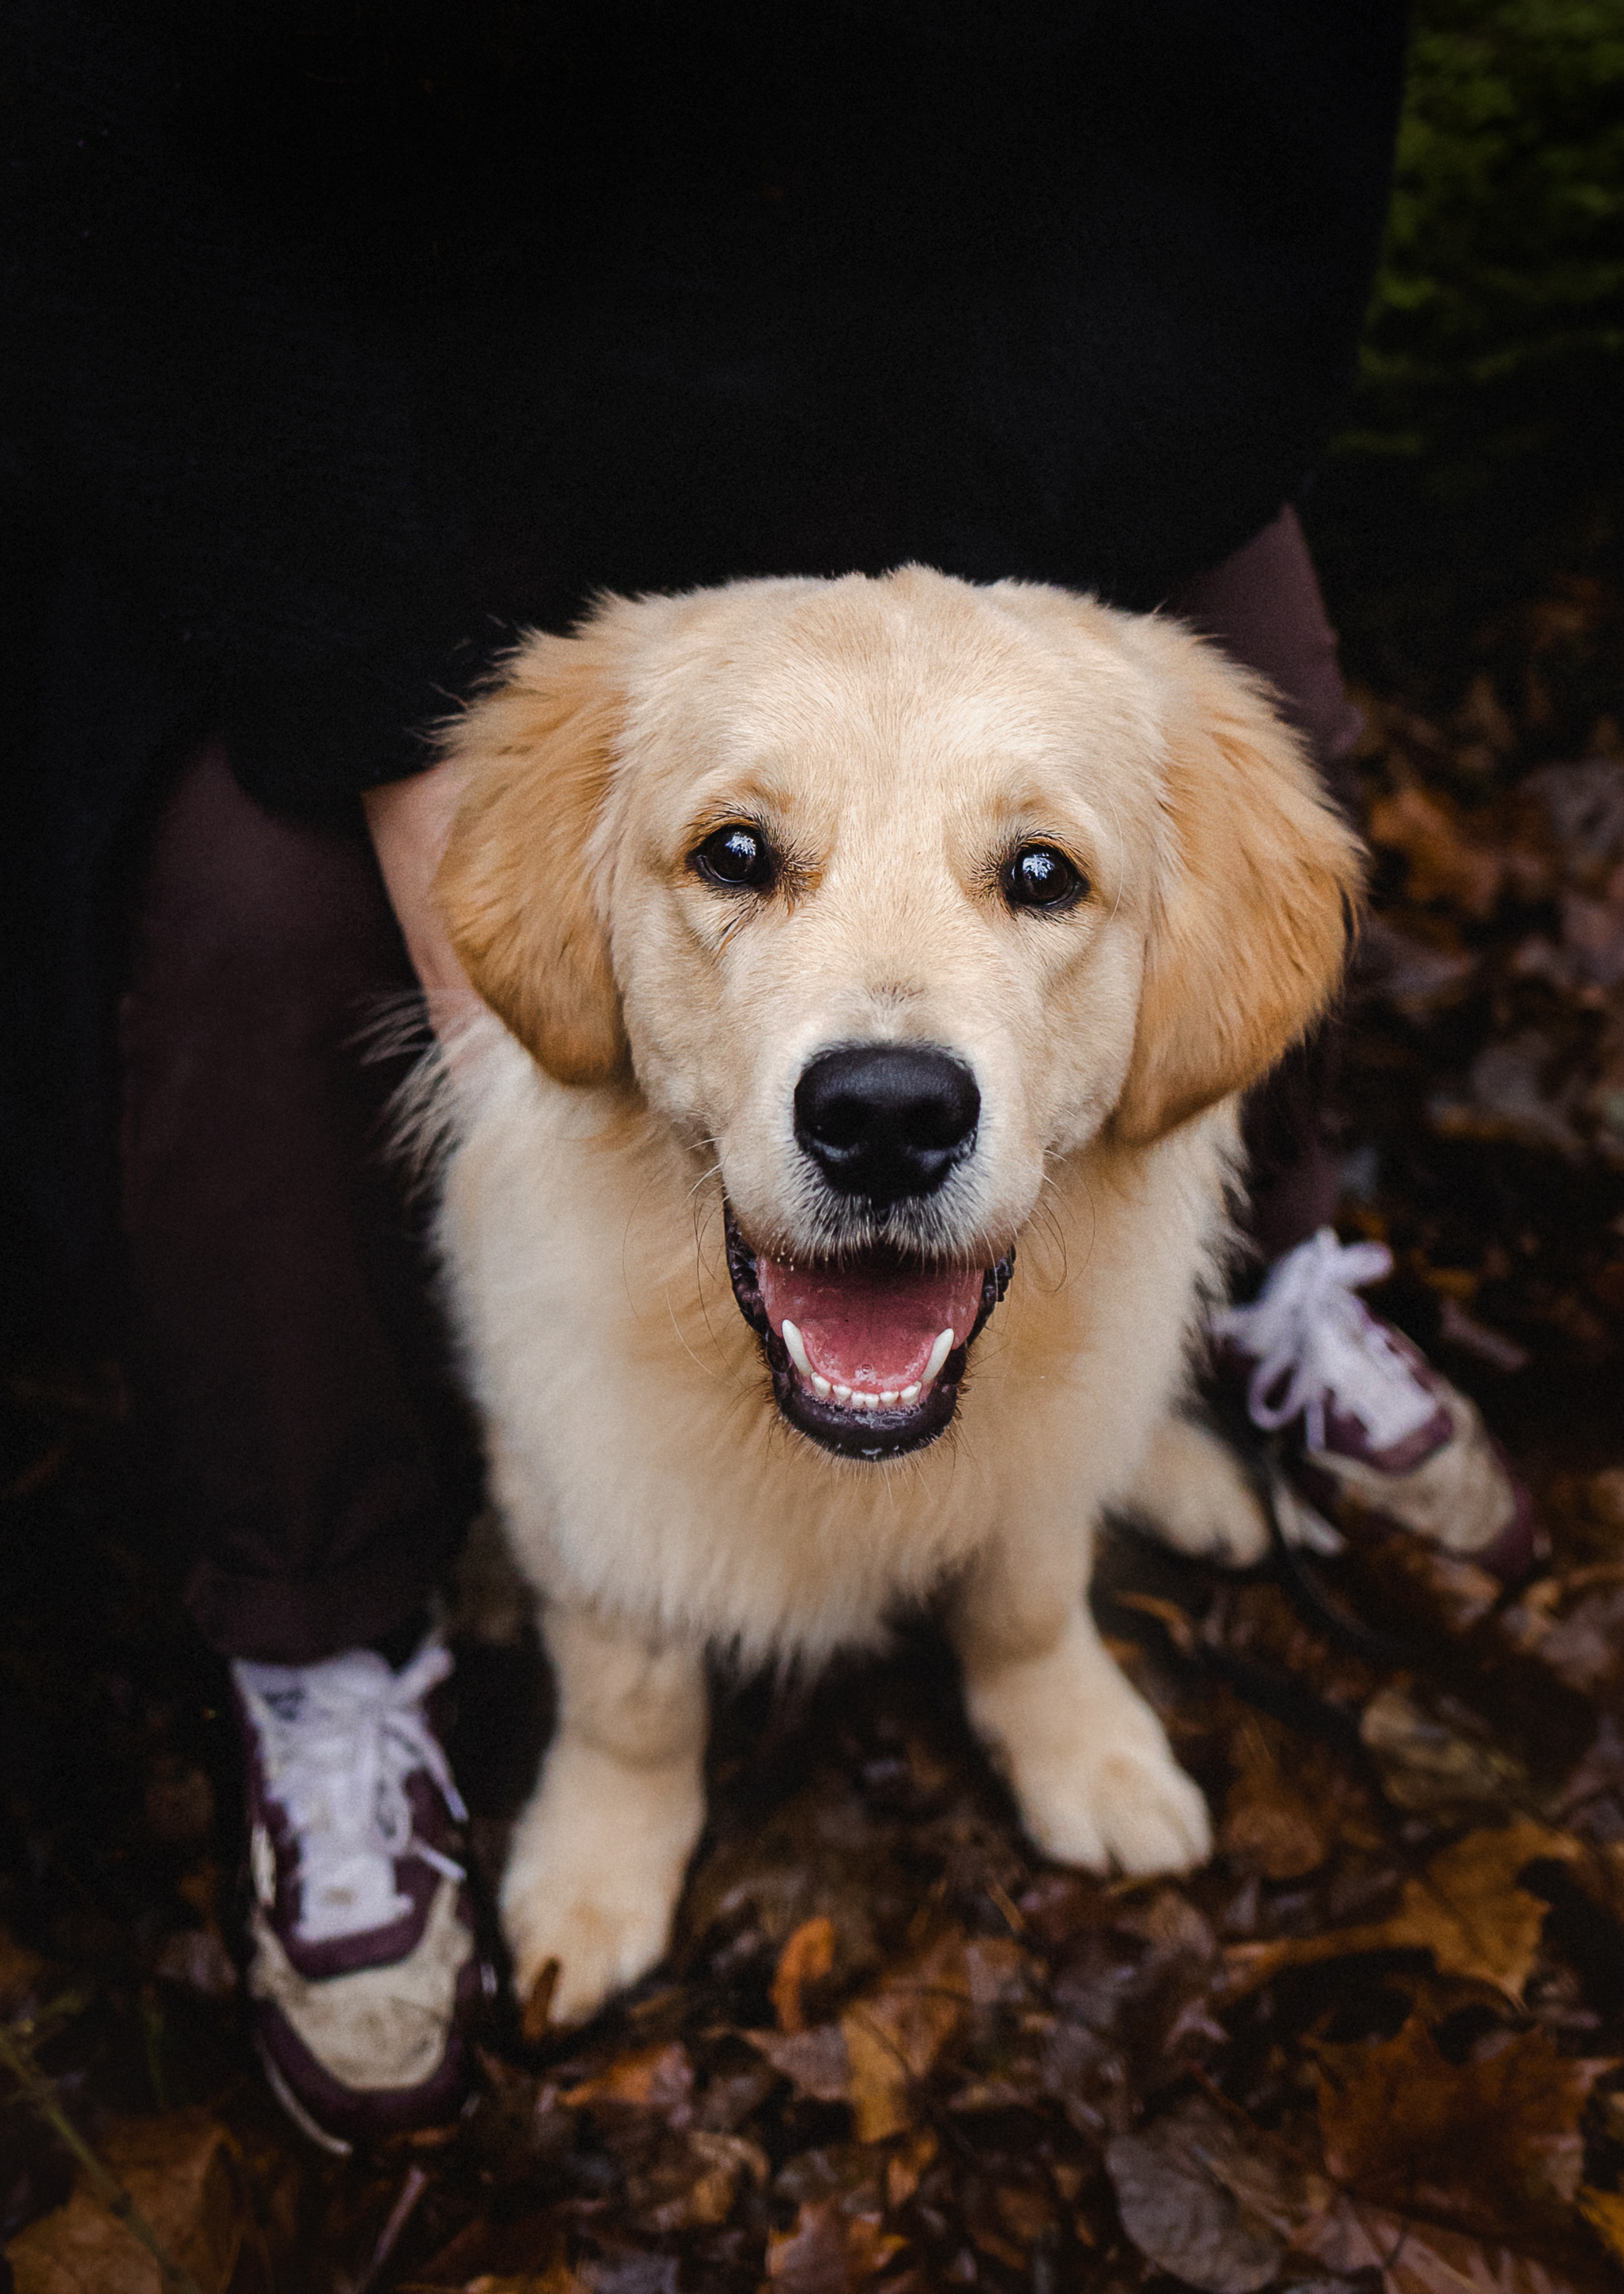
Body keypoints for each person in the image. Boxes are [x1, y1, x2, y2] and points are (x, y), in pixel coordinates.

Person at [6, 2, 1522, 2151]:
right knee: (241, 935)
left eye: (1028, 878)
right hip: (394, 383)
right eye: (745, 861)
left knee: (1250, 748)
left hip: (1021, 314)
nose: (882, 1060)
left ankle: (1123, 1487)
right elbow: (106, 134)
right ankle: (367, 1639)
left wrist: (1117, 446)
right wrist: (375, 692)